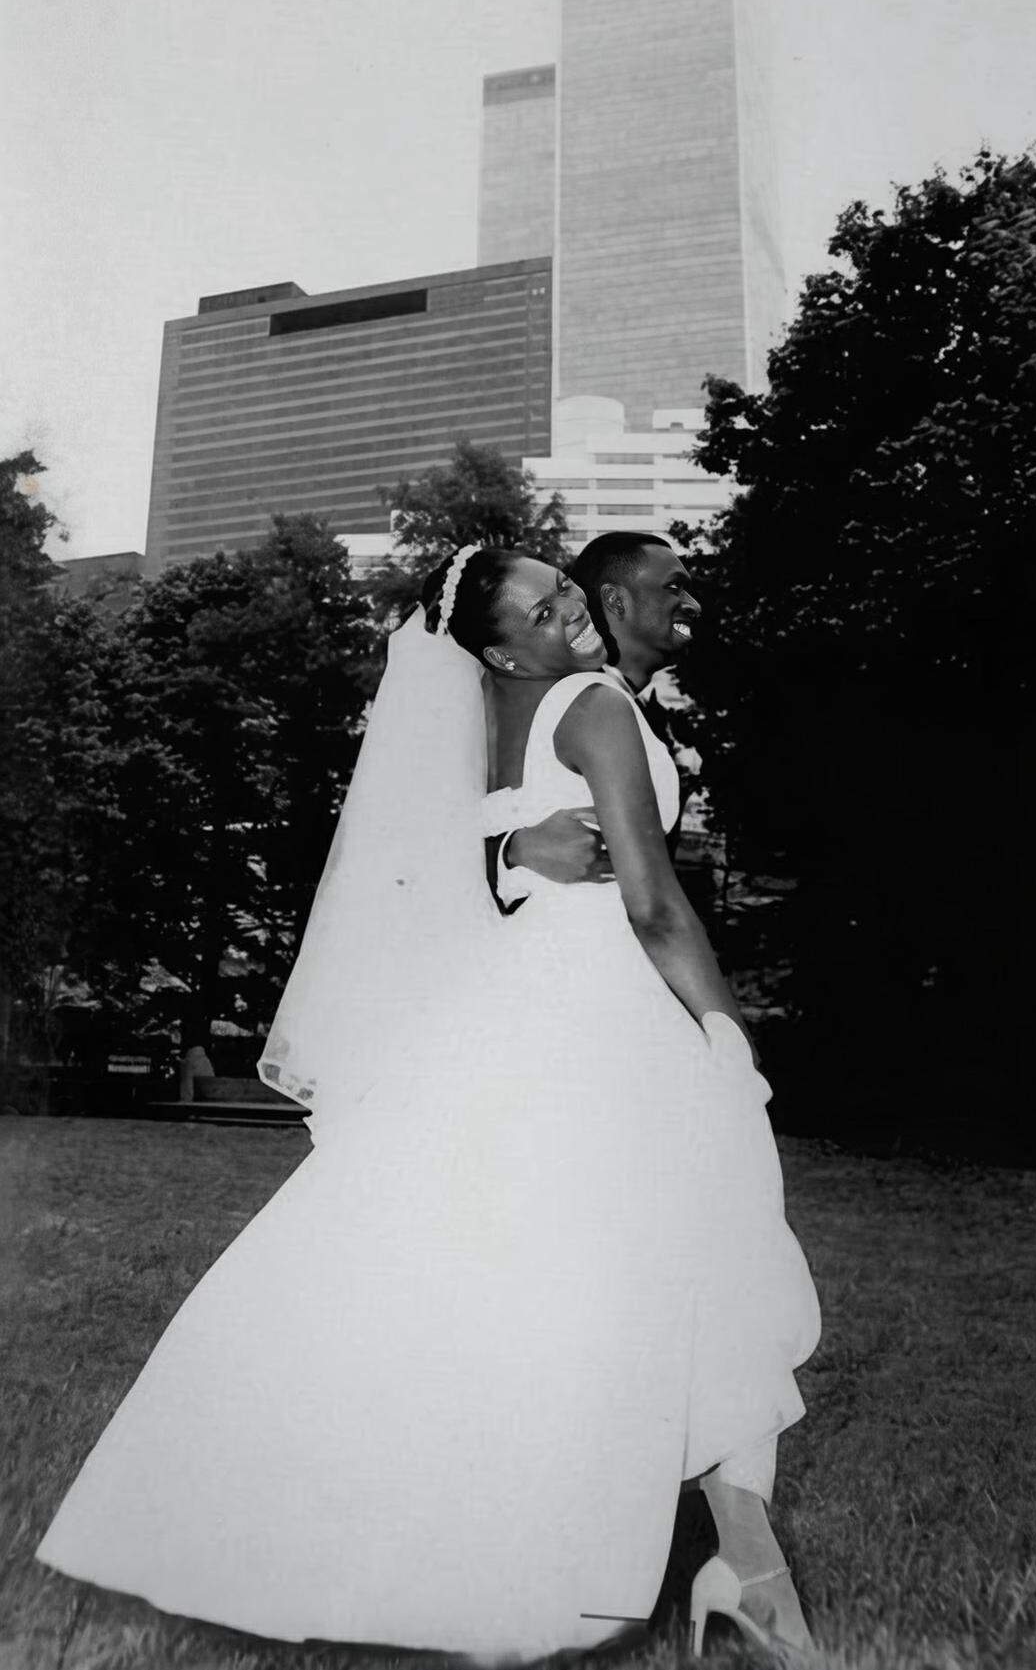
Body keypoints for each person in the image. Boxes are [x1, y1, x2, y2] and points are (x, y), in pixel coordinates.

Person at [35, 546, 819, 1662]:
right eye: (546, 607)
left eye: (563, 592)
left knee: (640, 1260)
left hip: (537, 1004)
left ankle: (741, 1564)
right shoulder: (593, 705)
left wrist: (507, 848)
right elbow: (651, 903)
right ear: (512, 647)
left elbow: (438, 840)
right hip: (596, 1010)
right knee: (677, 1257)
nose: (570, 609)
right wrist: (729, 1034)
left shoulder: (522, 709)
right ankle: (718, 1565)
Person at [494, 532, 701, 896]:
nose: (694, 605)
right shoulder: (560, 702)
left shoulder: (635, 706)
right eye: (674, 587)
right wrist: (513, 849)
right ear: (616, 601)